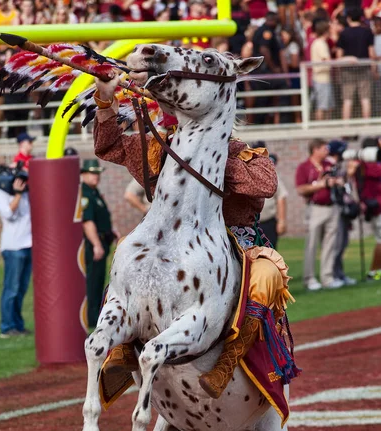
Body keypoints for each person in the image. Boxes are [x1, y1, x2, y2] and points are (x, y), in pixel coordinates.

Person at [93, 71, 299, 400]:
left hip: (233, 240)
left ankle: (227, 362)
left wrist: (211, 158)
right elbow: (110, 146)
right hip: (168, 240)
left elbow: (265, 186)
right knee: (127, 262)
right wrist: (105, 101)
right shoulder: (161, 150)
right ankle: (123, 350)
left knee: (268, 274)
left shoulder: (245, 153)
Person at [295, 138, 344, 291]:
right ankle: (309, 278)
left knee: (330, 244)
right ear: (315, 149)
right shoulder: (304, 166)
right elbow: (300, 189)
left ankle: (327, 277)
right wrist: (319, 185)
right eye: (324, 148)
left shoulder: (329, 165)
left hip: (332, 206)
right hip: (315, 208)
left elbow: (339, 180)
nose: (327, 151)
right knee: (311, 244)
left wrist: (338, 181)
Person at [0, 170, 32, 338]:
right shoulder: (1, 194)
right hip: (13, 247)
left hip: (28, 245)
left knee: (21, 289)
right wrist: (17, 194)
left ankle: (17, 325)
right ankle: (7, 327)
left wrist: (21, 192)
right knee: (11, 289)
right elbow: (8, 214)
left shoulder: (25, 193)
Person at [81, 159, 117, 329]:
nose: (96, 176)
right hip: (93, 245)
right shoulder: (85, 194)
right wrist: (96, 244)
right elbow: (87, 222)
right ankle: (91, 319)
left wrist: (112, 231)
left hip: (103, 240)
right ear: (84, 174)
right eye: (92, 173)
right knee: (93, 284)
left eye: (97, 173)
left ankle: (95, 317)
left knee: (98, 282)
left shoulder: (94, 192)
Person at [327, 139, 358, 285]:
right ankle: (333, 275)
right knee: (337, 244)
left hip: (343, 209)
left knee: (343, 243)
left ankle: (340, 273)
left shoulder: (338, 166)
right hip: (335, 209)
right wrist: (348, 175)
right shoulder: (329, 166)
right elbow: (337, 187)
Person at [336, 7, 376, 120]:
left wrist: (339, 72)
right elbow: (371, 54)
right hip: (364, 69)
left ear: (348, 18)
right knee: (365, 99)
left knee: (347, 100)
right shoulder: (367, 32)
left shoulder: (343, 33)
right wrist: (374, 70)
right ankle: (366, 129)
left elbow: (339, 55)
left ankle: (346, 129)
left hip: (347, 70)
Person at [358, 136, 381, 280]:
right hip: (377, 206)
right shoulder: (367, 164)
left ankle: (379, 270)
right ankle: (373, 271)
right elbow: (379, 171)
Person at [259, 153, 287, 249]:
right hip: (251, 224)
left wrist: (282, 221)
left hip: (268, 222)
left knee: (270, 253)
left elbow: (281, 197)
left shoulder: (273, 177)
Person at [310, 20, 334, 121]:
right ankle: (320, 129)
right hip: (321, 79)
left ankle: (327, 129)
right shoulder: (320, 43)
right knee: (322, 106)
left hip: (324, 79)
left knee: (328, 107)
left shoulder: (320, 43)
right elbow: (327, 60)